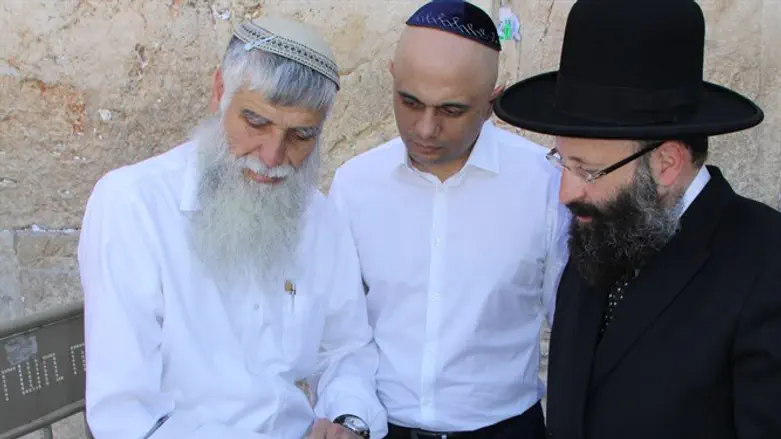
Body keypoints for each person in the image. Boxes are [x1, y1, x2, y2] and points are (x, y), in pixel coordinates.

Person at [78, 15, 387, 439]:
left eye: (300, 135)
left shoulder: (320, 218)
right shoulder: (133, 205)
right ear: (220, 91)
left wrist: (349, 421)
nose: (272, 156)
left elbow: (345, 349)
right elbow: (126, 417)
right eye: (256, 123)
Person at [492, 0, 781, 438]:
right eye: (562, 162)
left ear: (666, 163)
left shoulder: (766, 265)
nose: (567, 193)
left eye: (587, 170)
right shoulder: (604, 232)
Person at [327, 1, 571, 438]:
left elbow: (572, 328)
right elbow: (341, 332)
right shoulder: (355, 185)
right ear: (392, 77)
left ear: (492, 102)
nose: (425, 129)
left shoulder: (546, 185)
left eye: (451, 110)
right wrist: (349, 415)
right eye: (410, 102)